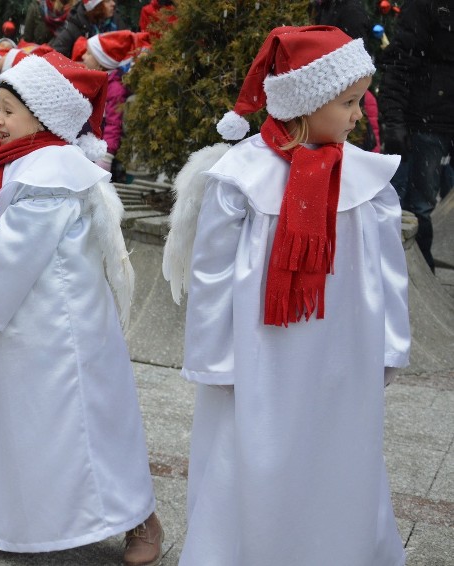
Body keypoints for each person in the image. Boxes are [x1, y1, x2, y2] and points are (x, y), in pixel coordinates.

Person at [165, 26, 410, 565]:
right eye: (348, 102)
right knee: (252, 452)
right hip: (260, 356)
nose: (356, 116)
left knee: (340, 452)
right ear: (305, 102)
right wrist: (214, 358)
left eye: (358, 101)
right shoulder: (240, 178)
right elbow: (211, 274)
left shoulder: (368, 182)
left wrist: (390, 345)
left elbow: (390, 270)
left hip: (342, 355)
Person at [0, 51, 162, 566]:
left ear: (47, 116)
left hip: (62, 325)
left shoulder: (53, 171)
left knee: (81, 420)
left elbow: (15, 246)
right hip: (20, 318)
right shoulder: (15, 162)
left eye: (10, 110)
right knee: (26, 420)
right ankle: (25, 518)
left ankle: (136, 516)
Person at [378, 0, 454, 272]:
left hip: (442, 124)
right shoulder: (425, 7)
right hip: (421, 125)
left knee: (420, 207)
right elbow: (399, 63)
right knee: (413, 209)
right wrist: (394, 121)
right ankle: (406, 277)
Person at [80, 29, 143, 182]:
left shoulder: (114, 89)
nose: (83, 56)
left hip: (102, 151)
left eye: (89, 54)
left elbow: (114, 124)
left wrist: (106, 157)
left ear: (101, 63)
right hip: (88, 144)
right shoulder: (95, 80)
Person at [50, 0, 125, 59]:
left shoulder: (116, 22)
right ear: (96, 7)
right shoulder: (74, 26)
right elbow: (54, 56)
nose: (113, 3)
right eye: (107, 1)